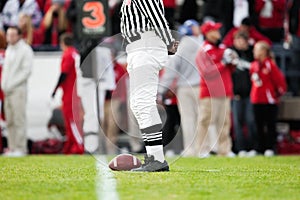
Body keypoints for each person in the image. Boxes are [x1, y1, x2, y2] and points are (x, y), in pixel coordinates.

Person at [120, 0, 178, 172]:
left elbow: (155, 16)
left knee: (144, 104)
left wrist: (168, 42)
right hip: (138, 48)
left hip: (145, 47)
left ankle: (156, 159)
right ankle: (153, 157)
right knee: (138, 104)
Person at [158, 19, 202, 157]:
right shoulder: (202, 45)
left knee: (188, 120)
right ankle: (204, 149)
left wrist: (161, 91)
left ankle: (190, 150)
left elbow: (171, 71)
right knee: (203, 118)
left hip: (184, 88)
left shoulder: (180, 47)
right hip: (201, 87)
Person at [195, 21, 236, 158]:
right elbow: (207, 72)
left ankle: (224, 150)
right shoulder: (203, 51)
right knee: (206, 120)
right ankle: (203, 149)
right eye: (215, 30)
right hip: (209, 92)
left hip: (225, 91)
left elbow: (231, 70)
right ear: (208, 33)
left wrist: (232, 60)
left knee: (224, 122)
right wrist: (223, 63)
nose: (218, 33)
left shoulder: (223, 48)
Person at [250, 41, 287, 156]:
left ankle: (270, 147)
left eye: (256, 49)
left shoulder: (270, 64)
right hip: (256, 99)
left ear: (263, 51)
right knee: (258, 125)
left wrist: (278, 93)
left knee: (270, 124)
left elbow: (279, 80)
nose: (254, 52)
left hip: (269, 99)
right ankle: (259, 148)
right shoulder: (254, 65)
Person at [1, 26, 33, 157]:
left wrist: (11, 85)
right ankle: (12, 147)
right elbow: (6, 72)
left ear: (19, 35)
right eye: (9, 35)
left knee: (19, 119)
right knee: (10, 120)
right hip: (7, 91)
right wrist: (4, 85)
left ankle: (21, 147)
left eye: (13, 35)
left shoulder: (25, 50)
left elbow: (26, 72)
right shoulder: (9, 50)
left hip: (18, 90)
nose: (10, 38)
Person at [51, 33, 84, 154]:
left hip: (70, 92)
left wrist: (55, 89)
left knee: (71, 119)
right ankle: (70, 146)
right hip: (74, 91)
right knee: (69, 119)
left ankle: (78, 145)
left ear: (62, 43)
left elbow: (63, 74)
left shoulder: (68, 54)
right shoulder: (75, 53)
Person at [230, 32, 257, 157]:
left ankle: (252, 148)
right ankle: (240, 149)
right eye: (237, 40)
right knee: (237, 124)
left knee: (251, 121)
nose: (240, 43)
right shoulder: (230, 54)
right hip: (236, 95)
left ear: (247, 41)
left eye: (242, 40)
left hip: (250, 94)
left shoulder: (252, 54)